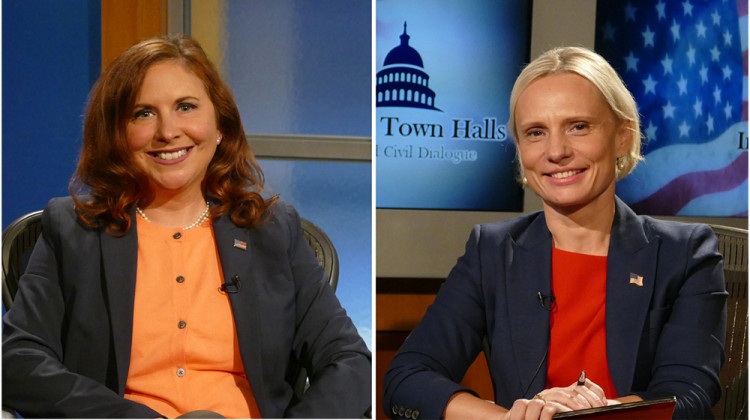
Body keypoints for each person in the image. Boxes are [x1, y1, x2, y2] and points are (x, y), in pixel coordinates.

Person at [2, 34, 371, 418]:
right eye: (143, 113)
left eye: (186, 107)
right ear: (117, 133)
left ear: (220, 125)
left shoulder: (271, 231)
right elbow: (19, 360)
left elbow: (348, 360)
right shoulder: (74, 230)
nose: (168, 131)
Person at [382, 46, 726, 420]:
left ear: (623, 135)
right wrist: (514, 419)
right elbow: (407, 379)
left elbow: (688, 396)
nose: (556, 151)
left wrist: (590, 415)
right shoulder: (493, 251)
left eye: (578, 126)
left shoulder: (685, 252)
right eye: (535, 132)